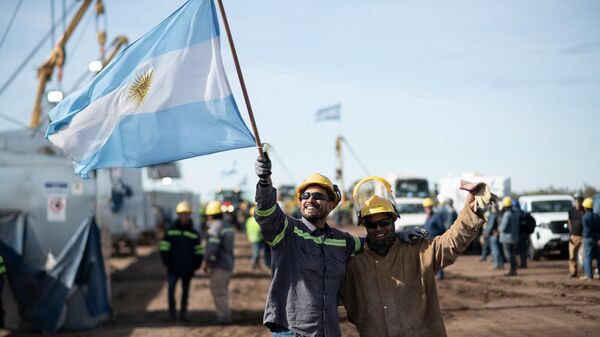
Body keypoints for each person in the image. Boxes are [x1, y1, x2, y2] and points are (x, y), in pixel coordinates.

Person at [339, 176, 491, 337]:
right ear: (365, 226)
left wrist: (471, 210)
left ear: (393, 222)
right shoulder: (355, 264)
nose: (378, 228)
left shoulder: (417, 251)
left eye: (384, 223)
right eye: (372, 224)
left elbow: (451, 242)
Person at [159, 201, 203, 322]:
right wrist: (167, 262)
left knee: (185, 292)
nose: (184, 216)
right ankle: (171, 315)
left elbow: (198, 251)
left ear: (190, 215)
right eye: (182, 214)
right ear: (178, 215)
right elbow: (163, 247)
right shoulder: (170, 231)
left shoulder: (194, 234)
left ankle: (183, 315)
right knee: (171, 291)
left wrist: (196, 265)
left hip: (187, 269)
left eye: (187, 214)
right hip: (173, 268)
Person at [204, 200, 235, 323]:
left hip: (219, 266)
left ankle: (224, 317)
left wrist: (207, 261)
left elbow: (212, 247)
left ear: (210, 215)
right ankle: (225, 314)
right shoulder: (227, 226)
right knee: (223, 291)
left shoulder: (215, 228)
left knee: (218, 292)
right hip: (228, 264)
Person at [423, 197, 447, 279]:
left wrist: (436, 236)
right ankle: (434, 273)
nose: (428, 209)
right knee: (431, 258)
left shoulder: (437, 217)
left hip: (436, 241)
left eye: (429, 207)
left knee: (437, 258)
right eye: (427, 207)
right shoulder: (427, 218)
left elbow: (443, 228)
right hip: (428, 242)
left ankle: (440, 274)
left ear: (432, 207)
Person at [499, 197, 520, 276]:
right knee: (512, 254)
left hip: (507, 239)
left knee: (508, 255)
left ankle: (511, 270)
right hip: (514, 238)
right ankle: (513, 269)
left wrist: (499, 228)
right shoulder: (515, 214)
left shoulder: (506, 215)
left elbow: (503, 228)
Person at [581, 197, 600, 280]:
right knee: (598, 257)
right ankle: (599, 273)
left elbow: (586, 229)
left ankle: (589, 275)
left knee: (587, 257)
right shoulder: (597, 216)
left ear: (585, 207)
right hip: (596, 238)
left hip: (588, 239)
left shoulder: (584, 217)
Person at [568, 193, 585, 277]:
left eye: (580, 199)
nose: (578, 201)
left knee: (584, 256)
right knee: (572, 256)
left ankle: (587, 272)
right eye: (576, 200)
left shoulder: (585, 211)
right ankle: (573, 271)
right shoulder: (571, 210)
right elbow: (569, 221)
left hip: (583, 236)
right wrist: (570, 233)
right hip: (573, 236)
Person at [484, 203, 504, 270]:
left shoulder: (494, 215)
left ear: (494, 208)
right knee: (499, 250)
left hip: (493, 235)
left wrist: (487, 233)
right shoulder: (500, 214)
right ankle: (501, 264)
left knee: (495, 250)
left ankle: (496, 264)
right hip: (499, 235)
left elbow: (491, 225)